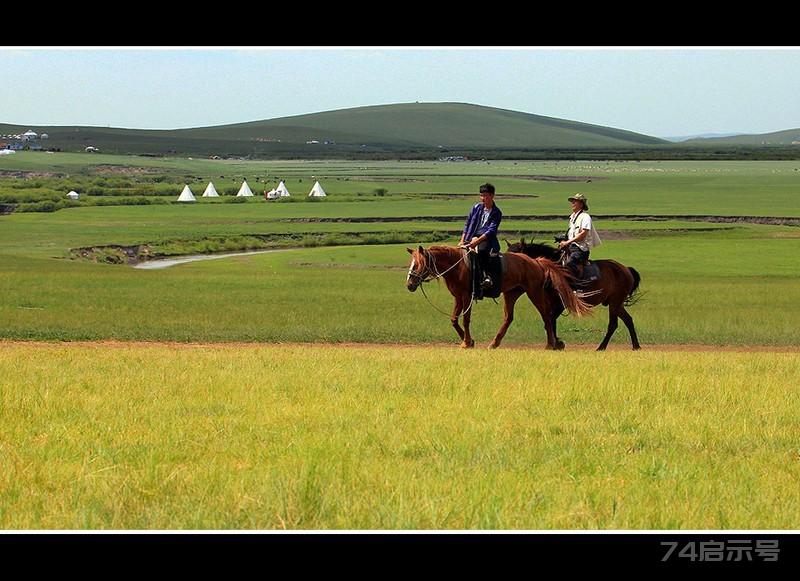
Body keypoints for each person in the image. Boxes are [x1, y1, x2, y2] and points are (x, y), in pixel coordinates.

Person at [459, 183, 502, 297]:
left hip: (486, 239)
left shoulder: (497, 212)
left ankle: (486, 277)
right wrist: (463, 240)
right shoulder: (476, 208)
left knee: (482, 252)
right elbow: (467, 224)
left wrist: (476, 242)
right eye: (481, 195)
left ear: (492, 196)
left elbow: (491, 231)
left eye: (486, 195)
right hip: (471, 237)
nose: (483, 198)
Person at [557, 193, 601, 279]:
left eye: (575, 201)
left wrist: (567, 242)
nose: (572, 203)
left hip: (581, 249)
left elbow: (583, 234)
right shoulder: (572, 218)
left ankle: (577, 285)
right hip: (570, 248)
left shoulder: (585, 217)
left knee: (570, 264)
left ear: (581, 204)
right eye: (572, 201)